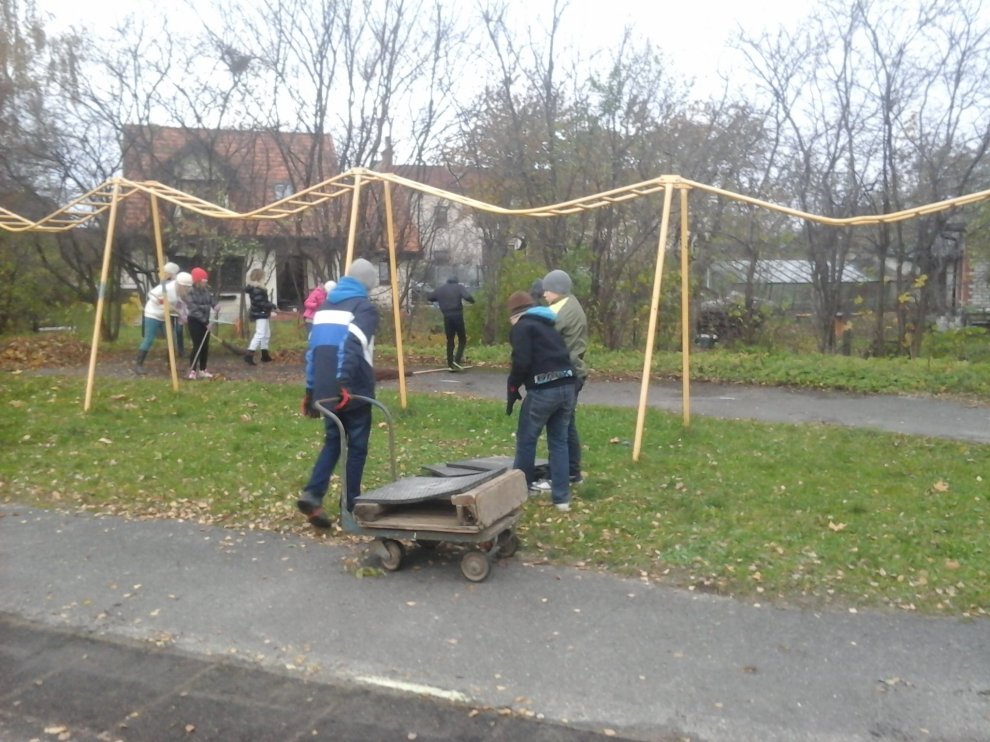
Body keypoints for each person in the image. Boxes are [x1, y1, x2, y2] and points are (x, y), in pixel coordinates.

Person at [297, 258, 381, 528]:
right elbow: (353, 344)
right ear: (368, 284)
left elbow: (314, 351)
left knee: (333, 440)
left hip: (325, 389)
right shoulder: (363, 308)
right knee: (356, 446)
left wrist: (311, 389)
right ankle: (350, 506)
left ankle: (313, 494)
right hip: (352, 389)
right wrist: (344, 383)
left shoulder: (324, 307)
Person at [505, 290, 577, 512]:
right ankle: (561, 499)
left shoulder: (522, 327)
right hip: (568, 385)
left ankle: (520, 491)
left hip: (544, 389)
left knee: (527, 439)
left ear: (515, 315)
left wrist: (513, 385)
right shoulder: (549, 326)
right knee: (559, 441)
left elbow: (522, 361)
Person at [541, 269, 589, 486]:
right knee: (567, 424)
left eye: (548, 290)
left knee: (558, 428)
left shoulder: (562, 310)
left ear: (558, 289)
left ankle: (558, 476)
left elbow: (541, 332)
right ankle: (571, 472)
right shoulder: (570, 304)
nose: (544, 294)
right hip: (573, 372)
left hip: (565, 374)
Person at [134, 270, 193, 374]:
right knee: (149, 339)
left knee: (171, 340)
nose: (187, 289)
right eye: (186, 287)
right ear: (180, 284)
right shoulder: (167, 287)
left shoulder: (180, 293)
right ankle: (138, 365)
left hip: (165, 316)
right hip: (153, 314)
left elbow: (178, 305)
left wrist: (182, 314)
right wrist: (161, 302)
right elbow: (151, 294)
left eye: (189, 287)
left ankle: (171, 365)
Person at [427, 276, 475, 370]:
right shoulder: (459, 287)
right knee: (462, 339)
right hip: (457, 316)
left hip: (447, 317)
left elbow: (430, 297)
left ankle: (450, 364)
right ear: (456, 281)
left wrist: (441, 298)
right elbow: (468, 297)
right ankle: (457, 360)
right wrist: (472, 301)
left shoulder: (441, 289)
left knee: (450, 340)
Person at [185, 267, 218, 380]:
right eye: (203, 281)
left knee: (205, 346)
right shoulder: (190, 292)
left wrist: (215, 305)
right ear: (197, 281)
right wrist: (205, 321)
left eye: (206, 281)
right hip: (195, 321)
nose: (205, 283)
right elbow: (194, 309)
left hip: (205, 321)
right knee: (197, 345)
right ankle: (193, 371)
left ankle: (203, 369)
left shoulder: (206, 291)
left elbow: (211, 300)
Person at [243, 268, 277, 365]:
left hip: (262, 313)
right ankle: (249, 355)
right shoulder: (256, 289)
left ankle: (265, 355)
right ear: (259, 277)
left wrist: (271, 306)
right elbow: (261, 303)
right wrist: (272, 306)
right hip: (260, 313)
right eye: (263, 276)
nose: (264, 278)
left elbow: (263, 302)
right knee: (260, 334)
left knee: (266, 334)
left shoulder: (257, 288)